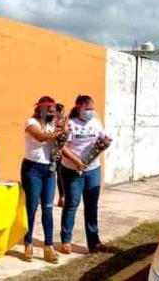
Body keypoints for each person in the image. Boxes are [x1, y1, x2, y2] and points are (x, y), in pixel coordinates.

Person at [60, 95, 113, 254]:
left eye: (92, 108)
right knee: (72, 204)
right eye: (87, 108)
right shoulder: (69, 124)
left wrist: (105, 143)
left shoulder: (96, 122)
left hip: (93, 170)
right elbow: (62, 146)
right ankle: (66, 240)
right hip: (72, 170)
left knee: (91, 206)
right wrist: (77, 162)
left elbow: (102, 139)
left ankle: (94, 242)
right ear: (78, 107)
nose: (91, 111)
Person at [21, 96, 64, 263]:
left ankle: (48, 247)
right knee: (31, 208)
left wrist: (60, 148)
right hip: (32, 169)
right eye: (50, 111)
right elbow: (40, 137)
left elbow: (56, 143)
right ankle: (28, 243)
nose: (52, 114)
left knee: (48, 208)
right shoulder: (31, 122)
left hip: (49, 169)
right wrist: (61, 132)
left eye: (54, 111)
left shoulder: (52, 125)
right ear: (41, 109)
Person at [54, 103, 67, 207]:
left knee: (60, 175)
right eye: (62, 111)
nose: (63, 113)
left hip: (62, 151)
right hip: (53, 151)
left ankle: (62, 197)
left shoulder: (65, 121)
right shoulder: (51, 122)